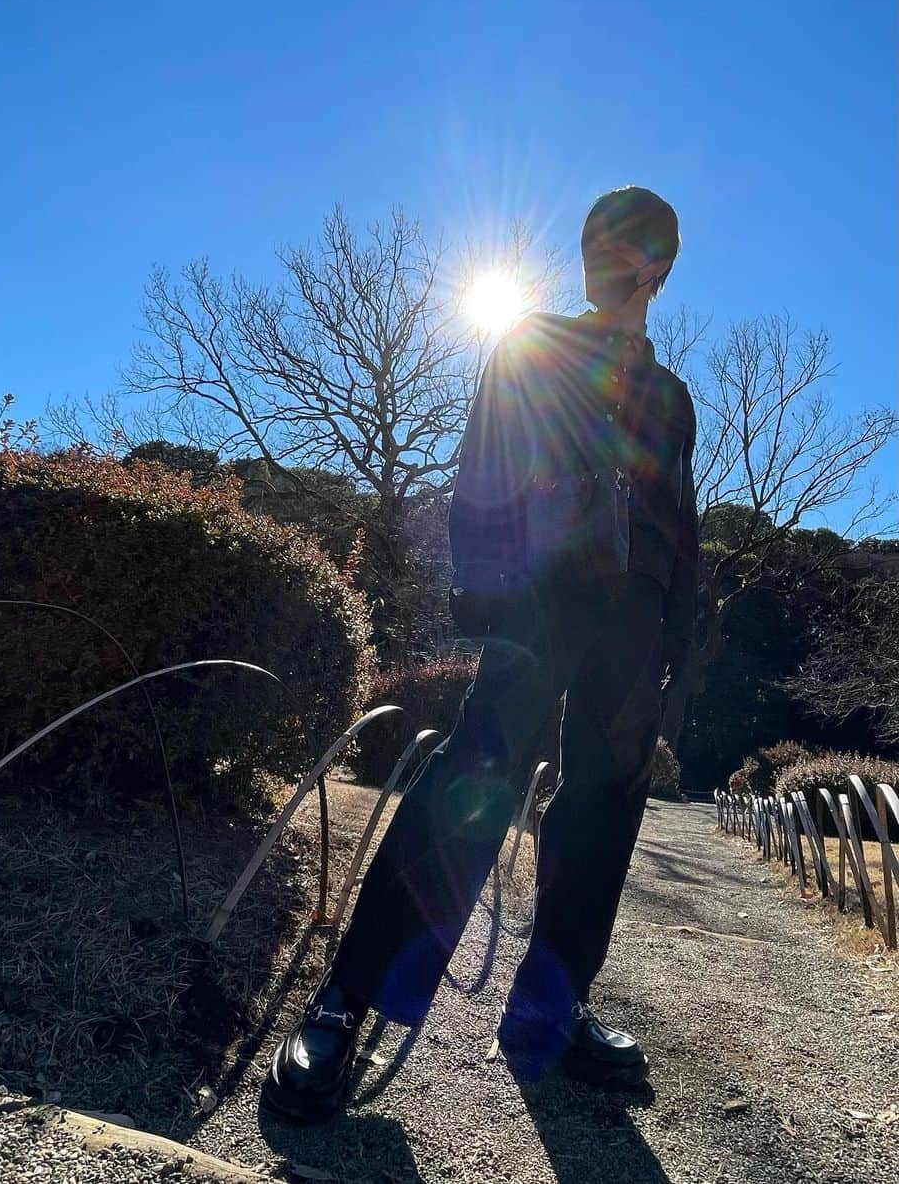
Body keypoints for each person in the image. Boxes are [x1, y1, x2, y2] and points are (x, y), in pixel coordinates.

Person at [263, 186, 699, 1121]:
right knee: (474, 779)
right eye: (591, 242)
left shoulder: (672, 396)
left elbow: (681, 521)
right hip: (539, 603)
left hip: (636, 623)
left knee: (604, 805)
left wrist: (681, 641)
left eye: (624, 247)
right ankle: (350, 998)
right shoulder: (533, 345)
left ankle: (552, 1006)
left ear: (657, 267)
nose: (602, 259)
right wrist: (492, 597)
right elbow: (484, 473)